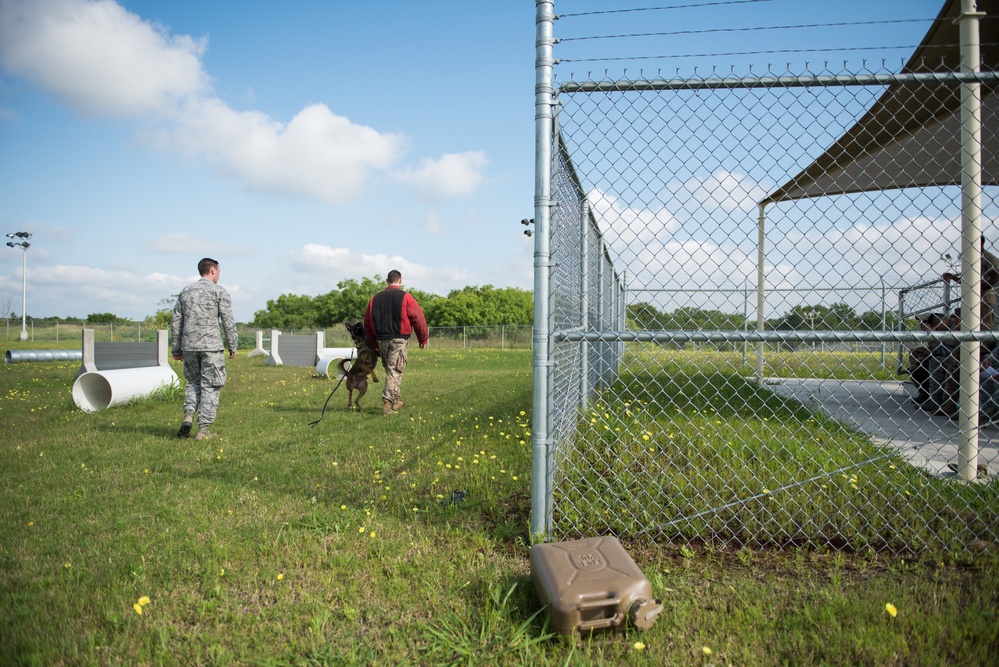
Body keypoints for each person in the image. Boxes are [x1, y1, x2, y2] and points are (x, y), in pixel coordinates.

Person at [171, 258, 238, 440]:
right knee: (211, 386)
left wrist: (176, 348)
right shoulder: (219, 291)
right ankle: (203, 431)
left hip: (189, 346)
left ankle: (188, 415)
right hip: (211, 348)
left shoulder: (185, 292)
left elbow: (176, 321)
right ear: (213, 270)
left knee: (193, 382)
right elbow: (228, 321)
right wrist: (232, 345)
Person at [363, 270, 429, 415]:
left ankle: (396, 401)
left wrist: (375, 343)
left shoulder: (375, 299)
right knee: (395, 370)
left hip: (381, 339)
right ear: (400, 280)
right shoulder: (406, 297)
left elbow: (367, 324)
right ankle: (387, 404)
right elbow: (418, 318)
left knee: (391, 369)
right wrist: (423, 338)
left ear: (387, 281)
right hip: (398, 339)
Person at [942, 237, 999, 329]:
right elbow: (968, 282)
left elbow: (996, 277)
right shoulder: (972, 259)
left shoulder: (988, 258)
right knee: (971, 322)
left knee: (984, 325)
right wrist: (953, 277)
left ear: (980, 243)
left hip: (985, 296)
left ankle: (985, 342)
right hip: (973, 295)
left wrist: (981, 289)